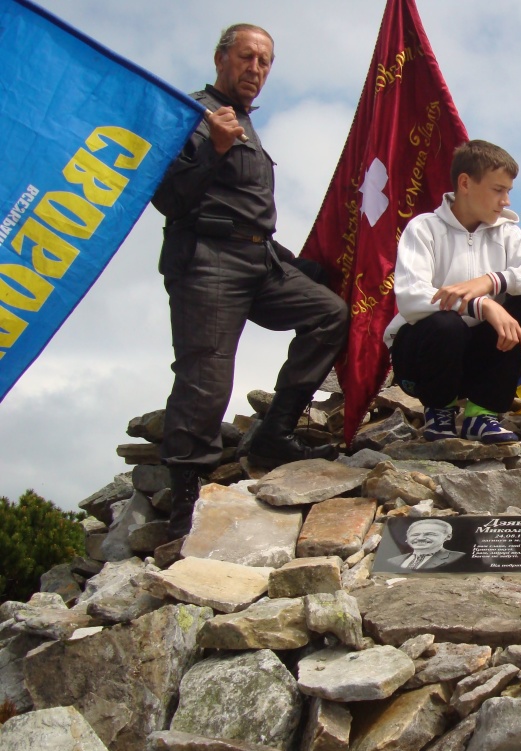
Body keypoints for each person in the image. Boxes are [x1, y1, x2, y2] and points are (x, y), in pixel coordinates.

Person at [151, 24, 348, 541]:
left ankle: (274, 434)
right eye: (246, 57)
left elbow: (245, 207)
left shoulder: (244, 121)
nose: (255, 69)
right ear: (221, 58)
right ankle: (185, 503)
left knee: (329, 313)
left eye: (264, 61)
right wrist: (213, 149)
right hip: (208, 259)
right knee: (207, 375)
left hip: (259, 258)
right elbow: (168, 199)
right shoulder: (193, 114)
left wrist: (291, 262)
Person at [384, 140, 521, 444]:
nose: (506, 201)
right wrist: (481, 305)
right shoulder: (424, 228)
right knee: (446, 324)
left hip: (478, 363)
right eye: (498, 190)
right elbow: (410, 298)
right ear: (465, 183)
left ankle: (482, 414)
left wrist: (493, 281)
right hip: (420, 362)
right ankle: (439, 410)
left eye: (508, 191)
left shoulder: (506, 233)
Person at [386, 519, 465, 570]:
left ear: (448, 537)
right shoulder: (393, 560)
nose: (420, 538)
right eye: (415, 534)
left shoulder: (459, 558)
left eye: (429, 534)